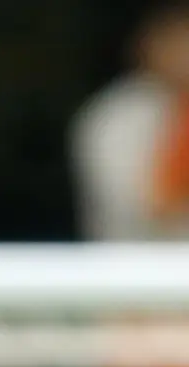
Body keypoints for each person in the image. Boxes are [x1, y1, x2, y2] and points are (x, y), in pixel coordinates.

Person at [73, 2, 189, 240]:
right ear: (148, 44)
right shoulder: (115, 115)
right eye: (179, 38)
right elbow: (152, 207)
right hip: (133, 268)